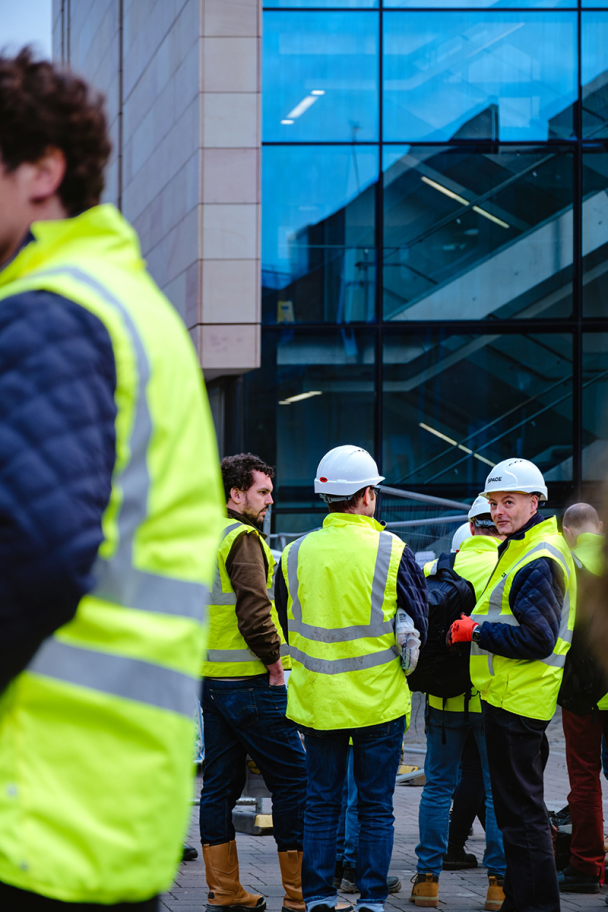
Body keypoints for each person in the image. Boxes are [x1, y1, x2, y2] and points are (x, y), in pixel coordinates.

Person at [0, 48, 225, 909]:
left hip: (31, 810)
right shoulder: (130, 308)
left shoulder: (55, 311)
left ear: (42, 171)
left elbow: (33, 551)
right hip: (101, 810)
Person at [275, 445, 428, 912]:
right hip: (378, 702)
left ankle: (319, 898)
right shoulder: (392, 550)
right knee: (376, 807)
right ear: (366, 495)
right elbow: (418, 620)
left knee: (321, 803)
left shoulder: (295, 553)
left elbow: (284, 618)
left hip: (317, 702)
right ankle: (372, 900)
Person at [448, 458, 576, 912]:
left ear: (534, 501)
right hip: (511, 698)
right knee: (516, 815)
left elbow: (537, 638)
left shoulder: (539, 557)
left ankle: (537, 906)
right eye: (494, 503)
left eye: (509, 502)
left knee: (522, 819)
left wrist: (475, 632)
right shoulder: (526, 546)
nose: (498, 511)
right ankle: (520, 901)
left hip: (519, 702)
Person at [200, 453, 308, 912]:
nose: (269, 500)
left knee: (219, 786)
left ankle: (225, 892)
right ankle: (303, 894)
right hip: (250, 681)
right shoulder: (242, 538)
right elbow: (254, 611)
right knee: (295, 779)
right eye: (262, 491)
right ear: (235, 493)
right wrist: (274, 665)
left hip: (213, 681)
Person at [412, 495, 506, 910]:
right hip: (492, 699)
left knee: (437, 788)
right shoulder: (510, 569)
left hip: (443, 700)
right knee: (494, 791)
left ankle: (427, 882)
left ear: (469, 527)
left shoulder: (435, 569)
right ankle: (497, 886)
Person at [557, 503, 606, 894]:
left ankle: (587, 865)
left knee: (585, 778)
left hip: (584, 693)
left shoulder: (564, 564)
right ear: (599, 527)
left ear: (567, 531)